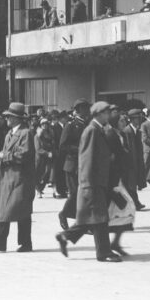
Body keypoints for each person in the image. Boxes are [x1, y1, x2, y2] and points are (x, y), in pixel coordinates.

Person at [55, 102, 120, 262]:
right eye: (106, 113)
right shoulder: (92, 131)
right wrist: (87, 184)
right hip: (92, 183)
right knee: (100, 218)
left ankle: (65, 237)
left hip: (97, 181)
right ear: (98, 114)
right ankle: (104, 252)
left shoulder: (98, 129)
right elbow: (86, 159)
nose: (109, 116)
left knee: (93, 218)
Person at [0, 103, 35, 252]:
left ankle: (24, 243)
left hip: (20, 178)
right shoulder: (10, 133)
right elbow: (9, 151)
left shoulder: (26, 133)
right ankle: (2, 242)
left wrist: (3, 156)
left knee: (20, 210)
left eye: (9, 116)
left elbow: (24, 155)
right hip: (8, 177)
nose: (6, 118)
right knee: (7, 209)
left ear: (16, 118)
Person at [57, 99, 89, 230]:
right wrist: (80, 149)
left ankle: (82, 223)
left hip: (84, 164)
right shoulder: (70, 125)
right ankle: (64, 214)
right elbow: (63, 146)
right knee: (75, 193)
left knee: (84, 194)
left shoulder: (87, 124)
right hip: (72, 165)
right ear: (79, 109)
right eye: (85, 108)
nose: (87, 110)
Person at [35, 117, 55, 198]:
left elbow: (53, 145)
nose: (45, 125)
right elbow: (38, 149)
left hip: (48, 157)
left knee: (47, 173)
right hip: (40, 158)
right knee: (38, 174)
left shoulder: (50, 134)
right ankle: (38, 190)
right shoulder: (37, 136)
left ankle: (41, 188)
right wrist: (47, 153)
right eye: (43, 124)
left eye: (46, 124)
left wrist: (52, 152)